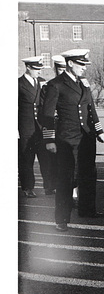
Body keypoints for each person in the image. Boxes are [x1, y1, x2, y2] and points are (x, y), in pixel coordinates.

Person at [40, 49, 104, 232]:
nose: (83, 69)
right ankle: (61, 219)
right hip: (66, 140)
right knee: (66, 179)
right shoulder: (55, 85)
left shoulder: (83, 84)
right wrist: (49, 140)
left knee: (88, 175)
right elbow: (46, 115)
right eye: (80, 65)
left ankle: (87, 209)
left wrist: (99, 131)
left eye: (84, 66)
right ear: (70, 64)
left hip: (86, 138)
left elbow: (91, 109)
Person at [18, 56, 48, 197]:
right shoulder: (19, 84)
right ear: (28, 67)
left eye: (40, 69)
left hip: (40, 128)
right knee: (26, 159)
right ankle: (27, 187)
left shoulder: (41, 83)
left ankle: (50, 185)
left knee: (45, 158)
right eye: (36, 69)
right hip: (26, 128)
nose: (39, 72)